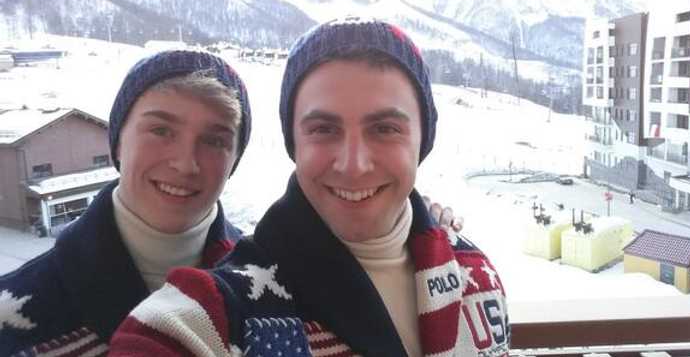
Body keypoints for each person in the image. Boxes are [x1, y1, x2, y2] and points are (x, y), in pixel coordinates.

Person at [110, 18, 509, 356]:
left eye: (385, 129)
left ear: (423, 139)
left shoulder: (475, 272)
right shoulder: (223, 312)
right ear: (293, 143)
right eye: (324, 129)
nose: (354, 165)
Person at [0, 50, 252, 356]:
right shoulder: (13, 315)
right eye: (161, 130)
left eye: (214, 141)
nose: (186, 164)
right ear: (118, 143)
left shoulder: (273, 287)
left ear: (235, 161)